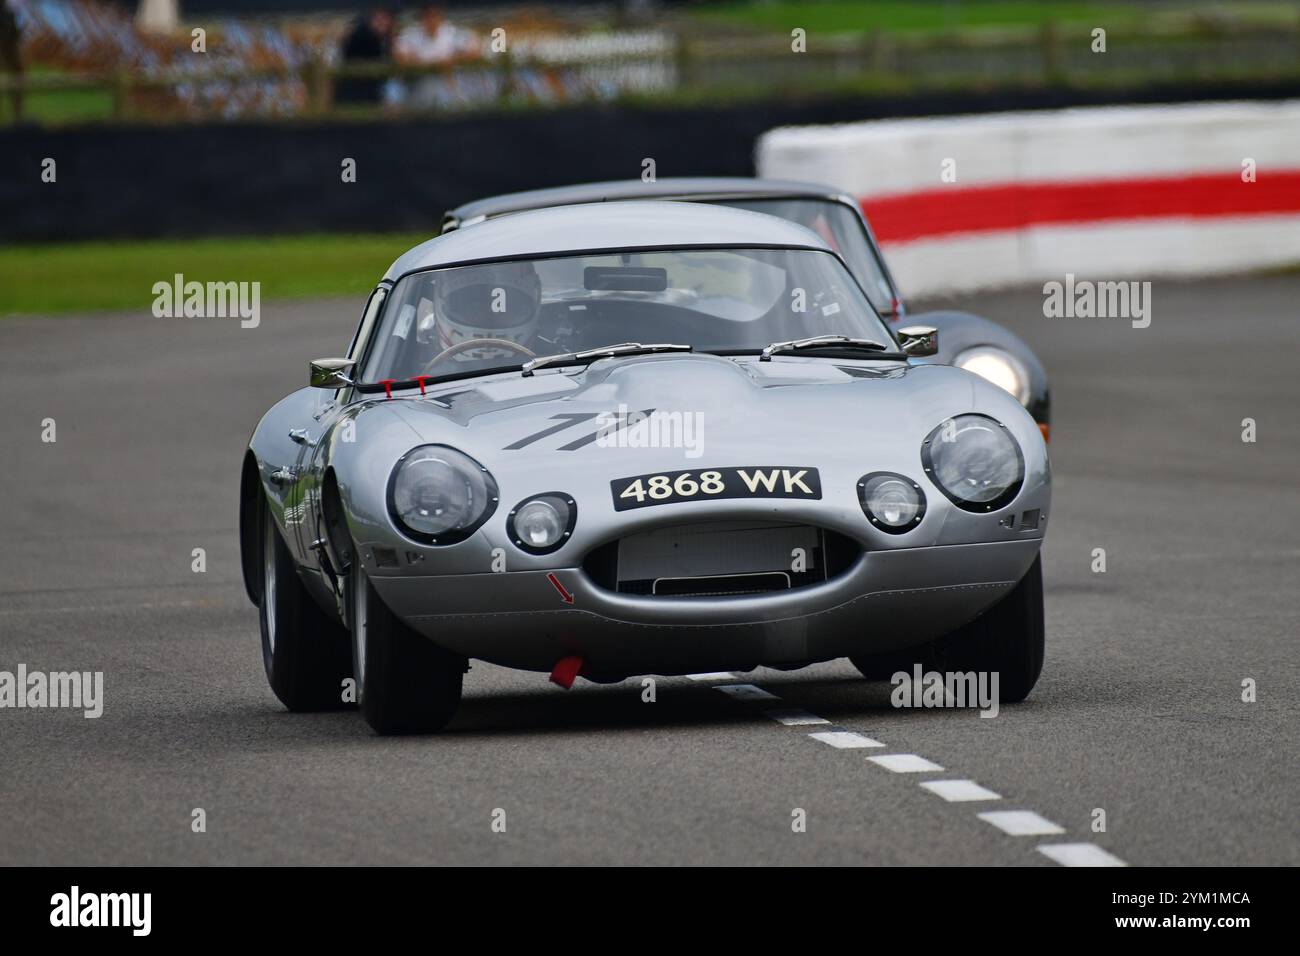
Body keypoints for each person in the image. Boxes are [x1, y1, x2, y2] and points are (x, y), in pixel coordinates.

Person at [336, 6, 394, 106]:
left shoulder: (385, 40)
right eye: (378, 19)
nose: (382, 23)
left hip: (371, 89)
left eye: (385, 19)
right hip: (355, 87)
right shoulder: (360, 35)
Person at [0, 0, 23, 121]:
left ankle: (17, 112)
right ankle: (17, 112)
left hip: (10, 45)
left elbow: (16, 32)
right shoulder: (8, 13)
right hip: (8, 46)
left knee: (17, 76)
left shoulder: (9, 13)